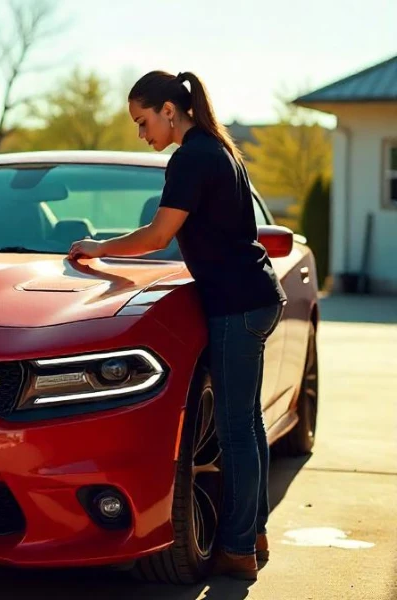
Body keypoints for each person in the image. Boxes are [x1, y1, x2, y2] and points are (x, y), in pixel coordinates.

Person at [68, 70, 287, 580]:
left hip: (237, 303)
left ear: (170, 110)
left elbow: (159, 234)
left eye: (143, 121)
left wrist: (98, 248)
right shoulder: (219, 148)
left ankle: (236, 551)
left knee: (235, 430)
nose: (142, 134)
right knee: (246, 425)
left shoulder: (191, 156)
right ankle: (252, 536)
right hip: (255, 295)